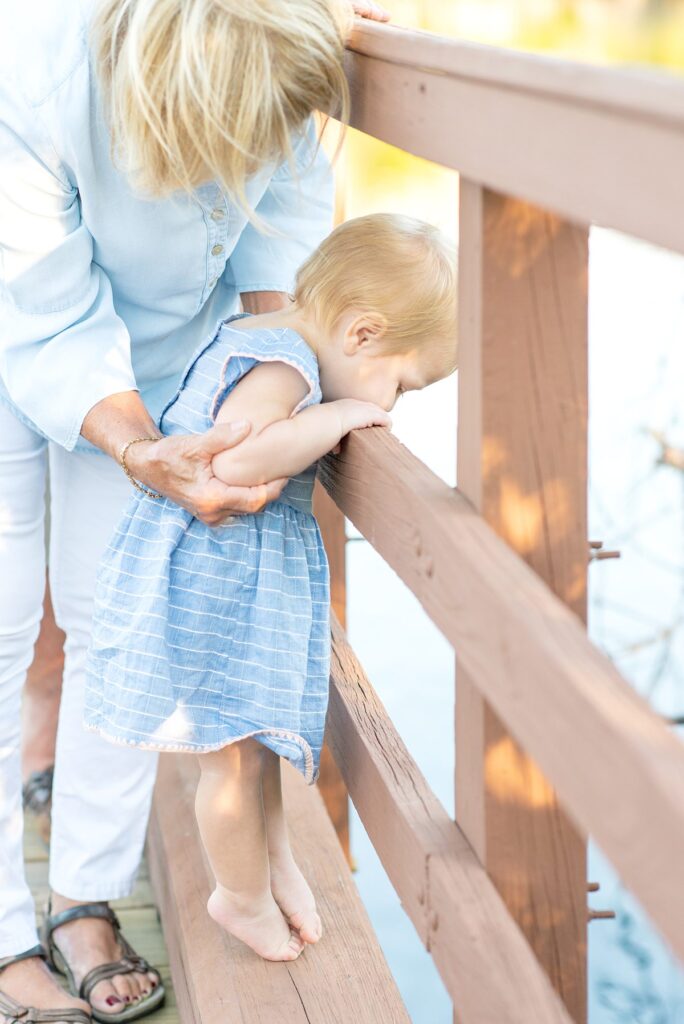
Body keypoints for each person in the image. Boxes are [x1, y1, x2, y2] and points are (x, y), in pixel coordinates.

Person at [0, 1, 389, 1022]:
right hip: (19, 295)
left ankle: (85, 895)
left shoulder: (285, 65)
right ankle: (1, 937)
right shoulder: (37, 69)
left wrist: (271, 397)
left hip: (163, 351)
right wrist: (134, 441)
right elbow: (48, 310)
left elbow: (282, 269)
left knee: (120, 616)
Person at [83, 213, 457, 962]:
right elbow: (237, 462)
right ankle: (240, 896)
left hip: (218, 575)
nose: (391, 405)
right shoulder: (287, 367)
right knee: (226, 754)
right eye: (401, 385)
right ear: (361, 334)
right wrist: (341, 414)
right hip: (207, 582)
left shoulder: (275, 338)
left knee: (251, 741)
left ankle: (272, 860)